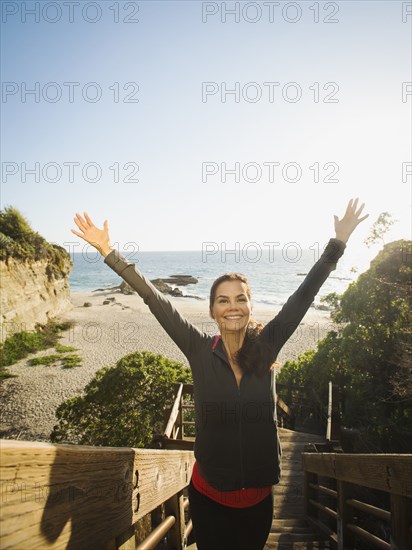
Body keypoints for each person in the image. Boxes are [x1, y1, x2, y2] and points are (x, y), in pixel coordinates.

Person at [71, 198, 368, 550]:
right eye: (223, 300)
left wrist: (339, 243)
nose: (233, 307)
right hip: (208, 498)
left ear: (250, 306)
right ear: (212, 309)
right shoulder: (198, 349)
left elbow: (305, 294)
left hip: (259, 500)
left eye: (240, 299)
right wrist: (108, 251)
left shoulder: (269, 344)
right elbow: (155, 299)